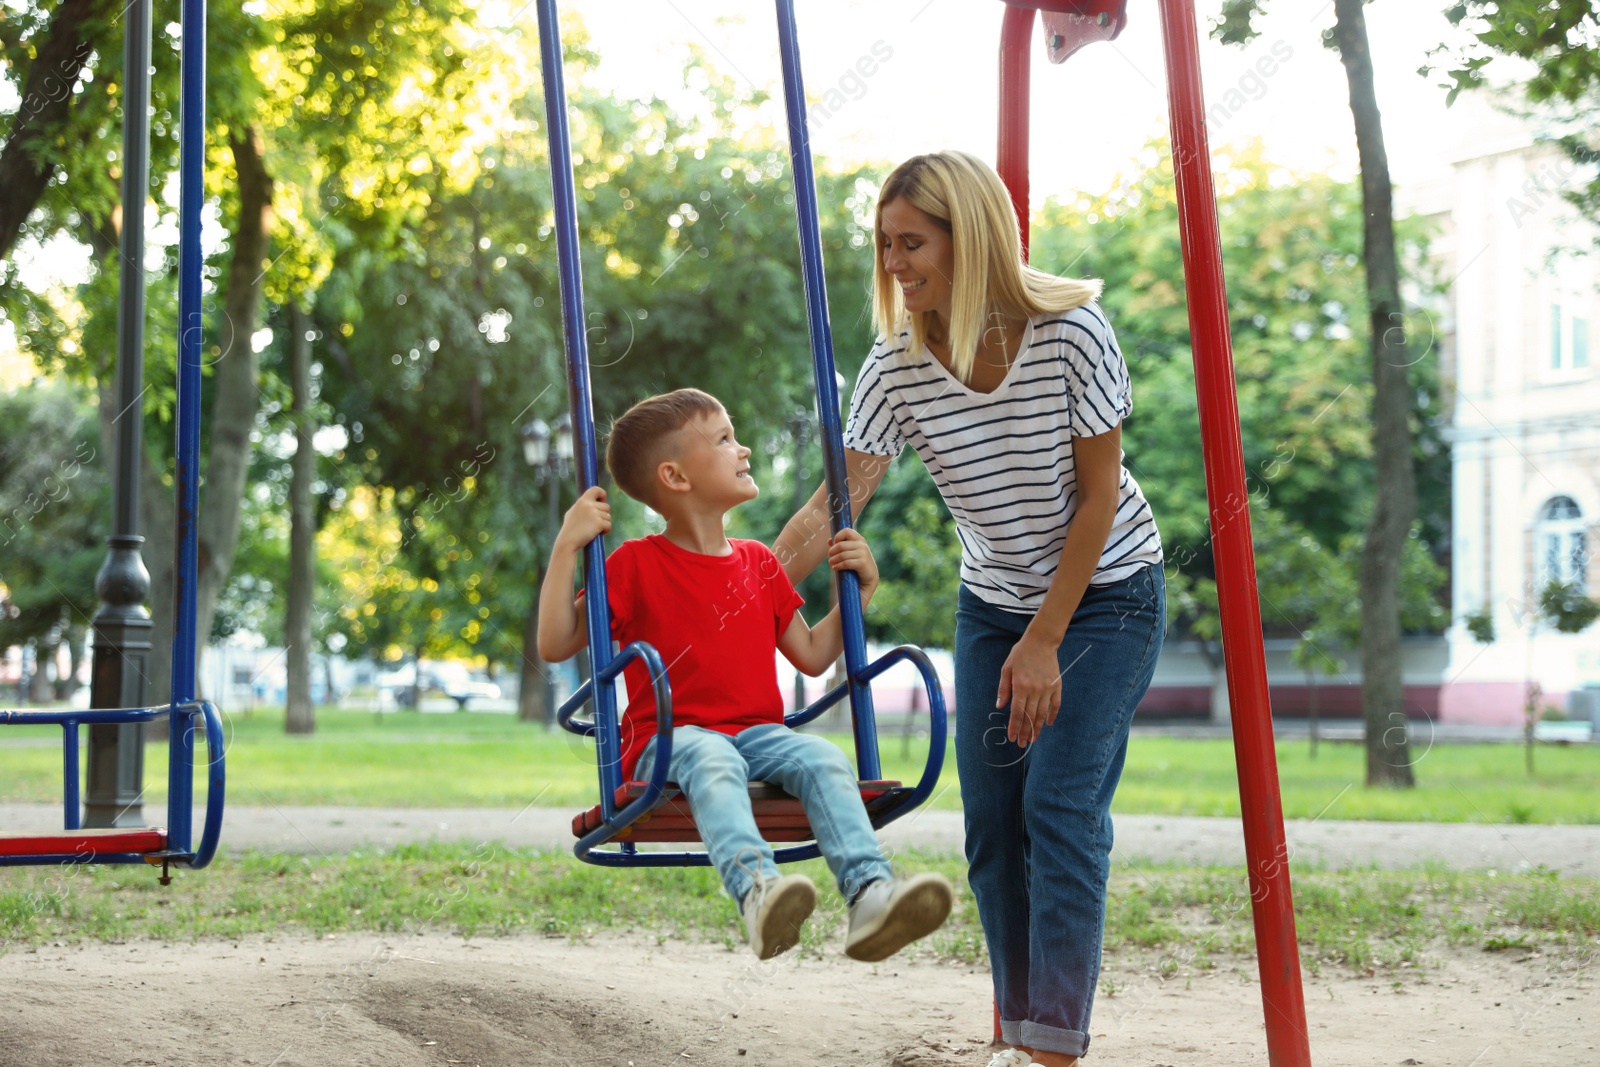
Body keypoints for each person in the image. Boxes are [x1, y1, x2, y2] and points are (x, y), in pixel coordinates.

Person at [774, 152, 1166, 1067]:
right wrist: (724, 596)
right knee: (993, 825)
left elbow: (1098, 499)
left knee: (1061, 805)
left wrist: (1045, 638)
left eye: (913, 243)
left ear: (971, 236)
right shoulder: (898, 363)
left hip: (1105, 595)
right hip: (993, 604)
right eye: (885, 247)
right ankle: (1025, 1031)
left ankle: (1053, 1051)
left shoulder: (1073, 329)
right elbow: (837, 503)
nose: (896, 265)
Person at [538, 387, 953, 962]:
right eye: (725, 439)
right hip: (670, 741)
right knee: (714, 757)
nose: (746, 449)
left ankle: (870, 896)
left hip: (759, 734)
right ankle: (758, 893)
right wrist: (567, 545)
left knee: (824, 758)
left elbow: (810, 654)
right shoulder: (633, 565)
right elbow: (556, 641)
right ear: (676, 477)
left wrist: (857, 595)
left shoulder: (759, 563)